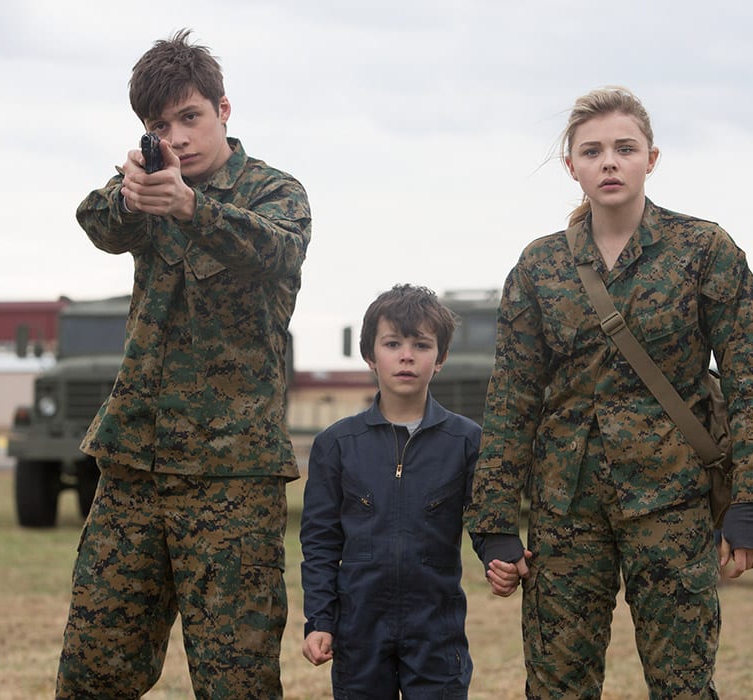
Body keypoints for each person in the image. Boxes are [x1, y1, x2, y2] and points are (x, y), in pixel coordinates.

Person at [464, 86, 753, 698]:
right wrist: (495, 521)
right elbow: (511, 401)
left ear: (651, 159)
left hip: (672, 503)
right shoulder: (540, 267)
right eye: (592, 151)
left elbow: (750, 380)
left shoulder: (705, 251)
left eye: (625, 148)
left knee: (682, 684)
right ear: (572, 166)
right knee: (557, 686)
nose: (609, 162)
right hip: (565, 510)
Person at [56, 29, 311, 699]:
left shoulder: (273, 191)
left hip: (232, 476)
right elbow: (96, 222)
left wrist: (192, 207)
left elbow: (278, 249)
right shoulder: (146, 191)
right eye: (160, 127)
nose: (179, 138)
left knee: (236, 679)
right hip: (134, 467)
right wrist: (130, 192)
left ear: (223, 110)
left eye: (190, 117)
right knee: (93, 670)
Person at [300, 284, 483, 698]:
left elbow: (486, 520)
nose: (406, 356)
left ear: (441, 358)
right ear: (370, 355)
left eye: (421, 345)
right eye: (392, 343)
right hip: (359, 631)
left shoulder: (467, 441)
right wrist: (320, 620)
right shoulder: (337, 445)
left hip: (437, 631)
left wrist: (501, 557)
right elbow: (320, 541)